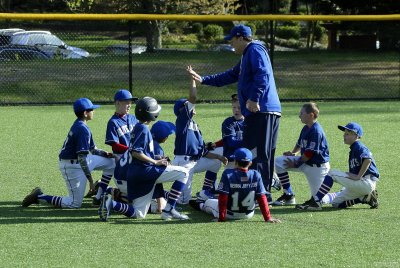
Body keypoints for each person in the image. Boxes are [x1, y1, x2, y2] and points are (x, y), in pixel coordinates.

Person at [188, 24, 281, 201]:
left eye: (232, 39)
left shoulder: (255, 50)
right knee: (256, 151)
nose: (231, 44)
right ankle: (257, 191)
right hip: (261, 111)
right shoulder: (248, 54)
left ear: (240, 38)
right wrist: (203, 80)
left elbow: (263, 75)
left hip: (263, 109)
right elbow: (231, 75)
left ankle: (262, 193)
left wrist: (254, 98)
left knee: (259, 152)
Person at [98, 97, 190, 221]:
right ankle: (169, 210)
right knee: (184, 173)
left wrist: (156, 159)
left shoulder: (138, 126)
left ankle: (111, 204)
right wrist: (155, 162)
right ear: (153, 114)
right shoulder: (143, 129)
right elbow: (136, 152)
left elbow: (137, 152)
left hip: (134, 174)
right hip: (142, 172)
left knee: (139, 214)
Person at [22, 98, 116, 208]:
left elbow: (93, 149)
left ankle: (98, 197)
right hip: (71, 166)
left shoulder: (81, 124)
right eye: (91, 110)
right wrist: (90, 180)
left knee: (112, 162)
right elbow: (82, 158)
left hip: (81, 161)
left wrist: (105, 153)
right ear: (85, 113)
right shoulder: (82, 129)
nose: (94, 111)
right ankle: (39, 196)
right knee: (74, 203)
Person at [172, 67, 228, 204]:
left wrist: (219, 157)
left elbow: (202, 150)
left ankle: (206, 190)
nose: (191, 105)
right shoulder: (183, 120)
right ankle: (160, 197)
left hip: (195, 161)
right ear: (182, 110)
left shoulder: (194, 125)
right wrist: (193, 80)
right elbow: (193, 97)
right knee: (183, 201)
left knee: (215, 162)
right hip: (183, 162)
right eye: (187, 105)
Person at [297, 122, 379, 210]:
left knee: (332, 174)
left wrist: (358, 176)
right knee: (336, 203)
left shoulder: (359, 146)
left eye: (347, 134)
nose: (344, 136)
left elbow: (368, 159)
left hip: (366, 182)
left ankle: (316, 201)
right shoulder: (354, 148)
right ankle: (364, 198)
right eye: (344, 134)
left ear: (356, 136)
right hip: (361, 186)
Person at [189, 148, 281, 223]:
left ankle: (199, 205)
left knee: (207, 201)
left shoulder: (229, 174)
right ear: (250, 163)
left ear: (236, 162)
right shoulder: (256, 174)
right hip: (249, 214)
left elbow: (223, 197)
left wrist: (221, 218)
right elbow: (262, 197)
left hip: (229, 214)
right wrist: (268, 218)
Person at [272, 102, 330, 207]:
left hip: (317, 168)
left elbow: (309, 154)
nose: (299, 115)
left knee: (320, 200)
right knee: (279, 162)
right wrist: (293, 153)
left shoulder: (316, 131)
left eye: (302, 113)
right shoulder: (306, 127)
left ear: (311, 115)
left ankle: (338, 195)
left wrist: (296, 164)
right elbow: (300, 143)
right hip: (305, 162)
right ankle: (288, 195)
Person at [89, 89, 138, 204]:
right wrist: (130, 150)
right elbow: (114, 143)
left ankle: (101, 191)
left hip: (135, 154)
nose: (129, 105)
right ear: (117, 103)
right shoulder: (113, 122)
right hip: (121, 155)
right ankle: (100, 194)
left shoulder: (133, 118)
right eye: (126, 102)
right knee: (121, 176)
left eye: (130, 102)